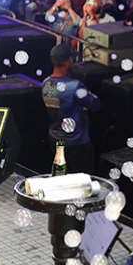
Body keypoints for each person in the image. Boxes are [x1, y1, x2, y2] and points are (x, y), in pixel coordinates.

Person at [43, 44, 101, 173]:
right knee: (81, 179)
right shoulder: (74, 86)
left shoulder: (45, 84)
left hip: (55, 139)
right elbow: (95, 104)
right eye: (71, 59)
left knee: (61, 175)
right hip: (76, 143)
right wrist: (82, 105)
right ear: (66, 62)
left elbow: (60, 103)